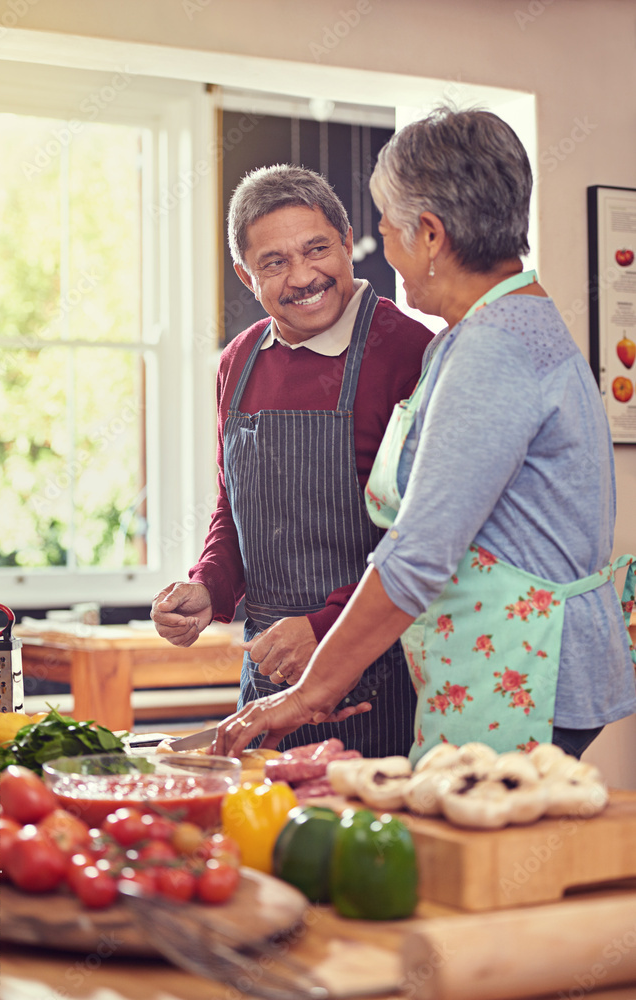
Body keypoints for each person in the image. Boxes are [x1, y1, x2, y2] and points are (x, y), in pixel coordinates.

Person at [213, 107, 636, 765]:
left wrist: (308, 692)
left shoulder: (492, 348)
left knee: (484, 861)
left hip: (521, 666)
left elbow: (417, 553)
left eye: (385, 229)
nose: (384, 250)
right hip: (504, 656)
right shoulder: (489, 329)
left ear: (430, 234)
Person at [151, 164, 433, 756]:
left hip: (378, 674)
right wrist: (209, 587)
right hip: (267, 675)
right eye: (274, 262)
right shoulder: (239, 360)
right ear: (245, 275)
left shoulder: (409, 352)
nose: (304, 277)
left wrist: (323, 628)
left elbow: (425, 538)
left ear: (347, 239)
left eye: (317, 249)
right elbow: (235, 507)